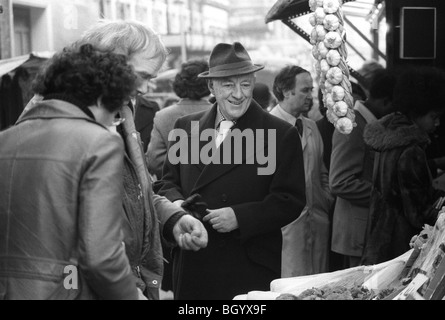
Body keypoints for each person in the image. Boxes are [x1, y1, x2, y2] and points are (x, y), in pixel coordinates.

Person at [154, 42, 306, 300]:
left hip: (246, 267)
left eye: (245, 85)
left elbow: (290, 201)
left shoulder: (281, 134)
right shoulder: (185, 127)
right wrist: (178, 209)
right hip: (193, 259)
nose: (238, 94)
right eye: (228, 85)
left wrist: (239, 216)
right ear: (211, 87)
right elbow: (167, 184)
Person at [69, 20, 209, 300]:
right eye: (143, 75)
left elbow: (135, 190)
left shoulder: (122, 110)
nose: (145, 88)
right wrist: (123, 288)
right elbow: (63, 227)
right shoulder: (65, 119)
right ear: (109, 62)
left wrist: (172, 218)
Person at [0, 44, 139, 300]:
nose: (112, 120)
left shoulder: (4, 140)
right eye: (114, 110)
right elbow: (101, 258)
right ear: (101, 98)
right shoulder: (99, 142)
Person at [361, 66, 445, 265]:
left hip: (377, 242)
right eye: (434, 117)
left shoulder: (387, 141)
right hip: (400, 248)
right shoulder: (411, 150)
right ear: (417, 112)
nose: (438, 123)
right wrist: (441, 208)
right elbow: (418, 213)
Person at [270, 65, 334, 277]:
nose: (311, 96)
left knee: (317, 285)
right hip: (284, 228)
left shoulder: (311, 126)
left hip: (317, 221)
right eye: (305, 90)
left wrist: (325, 199)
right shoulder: (265, 128)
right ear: (287, 92)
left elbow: (321, 171)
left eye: (311, 90)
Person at [329, 69, 396, 269]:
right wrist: (385, 197)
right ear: (386, 101)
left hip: (367, 232)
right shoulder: (353, 125)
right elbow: (340, 182)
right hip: (357, 235)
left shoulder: (368, 123)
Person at [146, 59, 212, 180]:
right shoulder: (221, 113)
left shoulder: (162, 116)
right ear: (210, 84)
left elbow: (155, 162)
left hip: (176, 192)